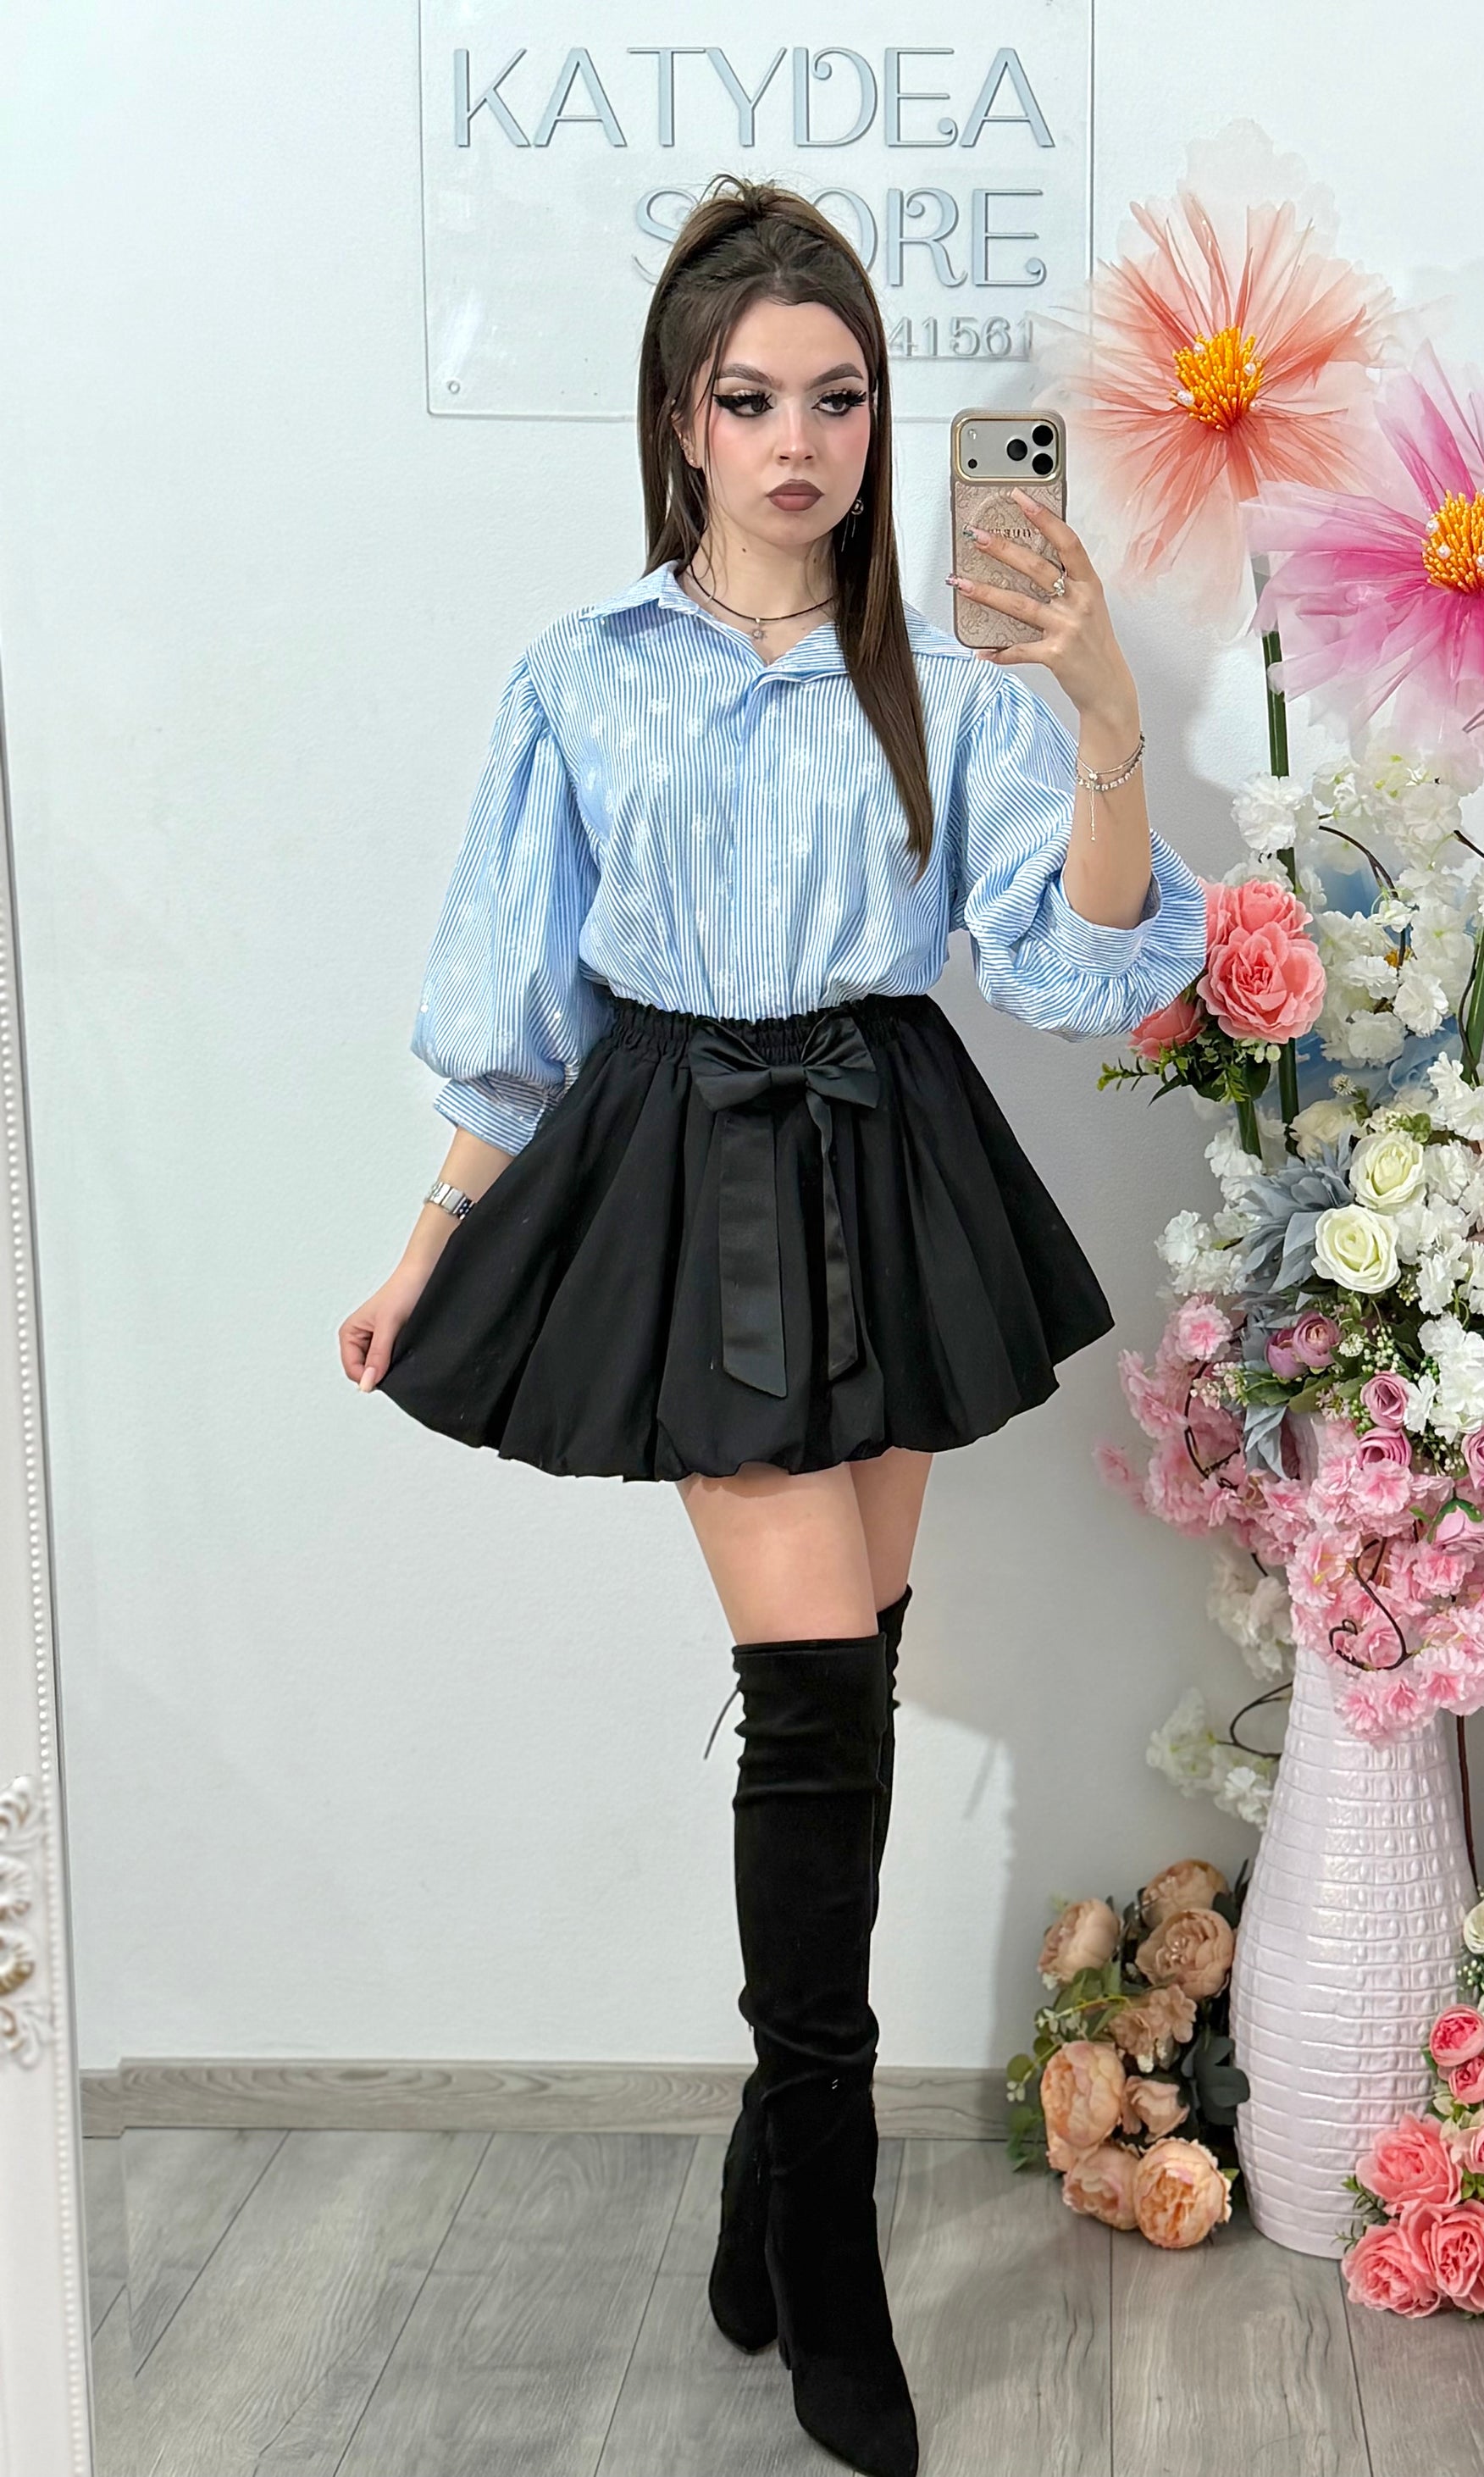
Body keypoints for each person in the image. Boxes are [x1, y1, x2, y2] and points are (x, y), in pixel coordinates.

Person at [338, 175, 1204, 2477]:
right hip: (689, 1164)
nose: (800, 440)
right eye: (753, 399)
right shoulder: (579, 675)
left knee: (850, 1679)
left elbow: (1076, 964)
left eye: (838, 397)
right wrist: (430, 1241)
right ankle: (825, 2220)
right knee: (811, 1702)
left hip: (888, 1149)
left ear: (877, 418)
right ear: (682, 419)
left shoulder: (948, 679)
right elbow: (514, 1007)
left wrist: (1106, 719)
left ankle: (760, 2167)